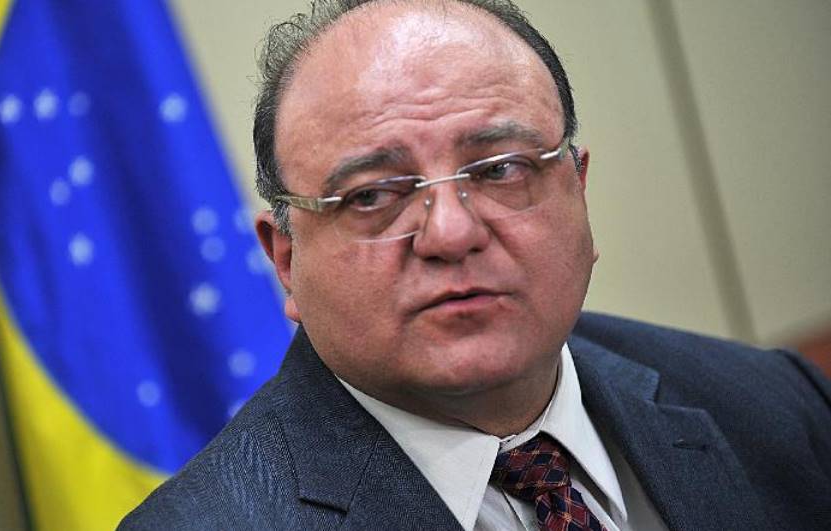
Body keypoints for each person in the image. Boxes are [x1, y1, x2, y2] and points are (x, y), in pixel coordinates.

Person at [120, 1, 831, 529]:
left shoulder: (773, 403)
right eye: (372, 195)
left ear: (577, 191)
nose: (451, 233)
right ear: (286, 259)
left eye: (500, 169)